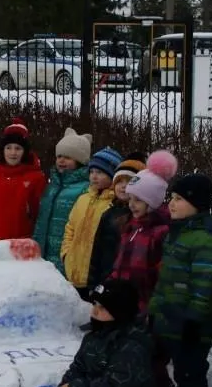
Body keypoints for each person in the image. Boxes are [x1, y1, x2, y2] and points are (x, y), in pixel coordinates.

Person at [148, 173, 212, 387]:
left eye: (179, 199)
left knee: (189, 377)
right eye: (172, 197)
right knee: (188, 375)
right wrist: (156, 310)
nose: (172, 203)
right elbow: (168, 280)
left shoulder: (204, 239)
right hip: (172, 319)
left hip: (190, 325)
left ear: (197, 204)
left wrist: (195, 320)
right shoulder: (180, 231)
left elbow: (206, 284)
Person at [113, 149, 178, 387]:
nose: (133, 204)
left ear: (153, 201)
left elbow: (161, 273)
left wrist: (154, 304)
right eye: (131, 198)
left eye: (139, 200)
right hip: (127, 303)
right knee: (132, 354)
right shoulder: (131, 226)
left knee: (152, 358)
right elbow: (120, 262)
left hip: (148, 304)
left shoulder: (161, 232)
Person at [60, 146, 122, 299]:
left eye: (100, 172)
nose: (94, 176)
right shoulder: (82, 199)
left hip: (96, 275)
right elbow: (70, 228)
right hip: (73, 272)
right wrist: (66, 254)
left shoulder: (114, 204)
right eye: (92, 172)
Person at [0, 118, 47, 243]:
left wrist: (37, 242)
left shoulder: (36, 178)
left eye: (18, 148)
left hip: (23, 243)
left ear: (25, 152)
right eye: (8, 148)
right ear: (3, 150)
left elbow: (40, 214)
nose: (13, 153)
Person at [33, 127, 93, 274]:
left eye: (67, 157)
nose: (61, 160)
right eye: (59, 156)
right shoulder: (51, 186)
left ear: (80, 161)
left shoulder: (85, 188)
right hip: (43, 251)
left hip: (66, 253)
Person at [86, 152, 146, 291]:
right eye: (119, 181)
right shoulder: (108, 214)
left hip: (128, 286)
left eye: (129, 181)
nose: (123, 186)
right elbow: (97, 251)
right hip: (104, 279)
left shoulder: (140, 216)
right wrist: (92, 283)